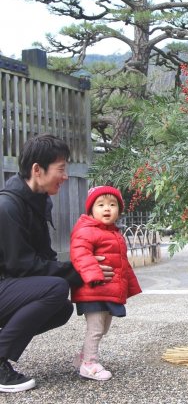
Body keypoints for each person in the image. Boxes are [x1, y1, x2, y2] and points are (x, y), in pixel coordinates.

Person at [0, 134, 114, 393]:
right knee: (55, 289)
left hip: (7, 287)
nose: (65, 176)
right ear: (37, 170)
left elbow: (45, 258)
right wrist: (81, 270)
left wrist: (84, 264)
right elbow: (23, 266)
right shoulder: (7, 206)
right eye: (61, 169)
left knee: (60, 309)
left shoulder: (36, 202)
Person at [70, 185, 141, 381]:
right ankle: (89, 364)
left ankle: (83, 357)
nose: (107, 209)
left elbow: (123, 265)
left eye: (112, 204)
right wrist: (93, 274)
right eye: (100, 205)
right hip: (92, 289)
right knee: (96, 328)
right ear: (91, 210)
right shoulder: (86, 230)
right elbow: (80, 254)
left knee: (104, 328)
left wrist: (129, 286)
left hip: (108, 290)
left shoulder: (114, 233)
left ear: (119, 209)